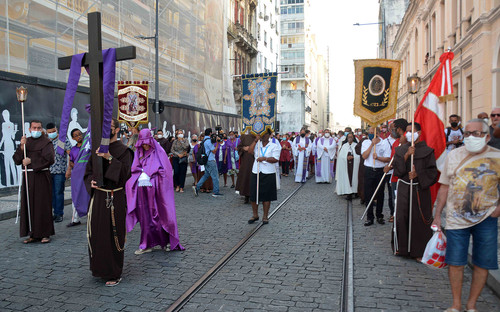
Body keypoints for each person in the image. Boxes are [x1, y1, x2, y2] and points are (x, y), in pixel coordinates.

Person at [433, 119, 500, 312]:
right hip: (456, 218)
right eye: (467, 133)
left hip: (486, 218)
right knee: (455, 262)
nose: (471, 137)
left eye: (476, 133)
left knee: (483, 262)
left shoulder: (497, 157)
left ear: (487, 137)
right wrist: (438, 215)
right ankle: (456, 304)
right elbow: (444, 187)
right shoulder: (453, 155)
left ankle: (471, 305)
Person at [84, 118, 133, 286]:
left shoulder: (124, 151)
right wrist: (90, 181)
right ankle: (99, 269)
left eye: (110, 127)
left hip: (115, 196)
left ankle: (114, 272)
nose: (107, 130)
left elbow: (125, 174)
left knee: (113, 234)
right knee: (97, 233)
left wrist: (109, 157)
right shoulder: (95, 149)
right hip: (98, 197)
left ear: (117, 130)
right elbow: (88, 172)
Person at [125, 129, 184, 255]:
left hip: (158, 190)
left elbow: (166, 172)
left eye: (147, 143)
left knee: (162, 214)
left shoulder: (159, 152)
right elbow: (134, 169)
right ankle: (147, 243)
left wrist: (151, 174)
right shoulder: (138, 153)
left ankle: (167, 241)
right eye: (143, 143)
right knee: (145, 216)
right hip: (143, 191)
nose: (145, 145)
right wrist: (140, 174)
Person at [392, 122, 438, 259]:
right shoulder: (400, 150)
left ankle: (419, 251)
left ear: (419, 133)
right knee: (402, 217)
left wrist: (418, 174)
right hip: (404, 187)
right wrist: (406, 155)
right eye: (407, 131)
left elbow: (433, 172)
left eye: (412, 130)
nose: (409, 133)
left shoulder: (428, 150)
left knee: (419, 219)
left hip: (419, 189)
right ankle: (402, 247)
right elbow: (397, 170)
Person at [13, 120, 55, 244]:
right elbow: (16, 159)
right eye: (34, 128)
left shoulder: (46, 142)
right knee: (29, 205)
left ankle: (45, 233)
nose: (36, 130)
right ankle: (32, 233)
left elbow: (49, 159)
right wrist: (21, 147)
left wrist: (31, 161)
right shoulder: (26, 142)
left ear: (42, 129)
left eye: (39, 128)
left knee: (42, 205)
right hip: (28, 176)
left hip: (41, 176)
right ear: (30, 129)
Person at [247, 129, 280, 225]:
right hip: (256, 171)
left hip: (268, 172)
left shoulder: (274, 146)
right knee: (254, 194)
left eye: (265, 134)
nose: (263, 136)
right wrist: (255, 141)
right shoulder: (257, 144)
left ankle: (265, 216)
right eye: (262, 134)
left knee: (267, 195)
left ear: (270, 135)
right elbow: (249, 151)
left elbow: (275, 159)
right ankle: (255, 215)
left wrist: (265, 158)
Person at [361, 127, 391, 226]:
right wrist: (371, 145)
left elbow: (387, 159)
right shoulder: (366, 142)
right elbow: (364, 156)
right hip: (369, 169)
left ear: (377, 134)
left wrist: (378, 157)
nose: (369, 134)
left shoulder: (384, 143)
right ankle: (370, 217)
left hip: (380, 170)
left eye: (371, 133)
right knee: (368, 194)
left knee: (380, 194)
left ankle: (379, 215)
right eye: (369, 133)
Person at [383, 118, 409, 222]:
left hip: (404, 177)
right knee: (395, 199)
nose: (393, 131)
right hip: (394, 177)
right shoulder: (396, 142)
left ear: (399, 129)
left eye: (394, 129)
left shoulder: (408, 141)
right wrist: (389, 166)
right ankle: (395, 215)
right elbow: (393, 159)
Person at [46, 122, 72, 223]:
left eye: (53, 131)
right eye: (50, 132)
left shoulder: (62, 140)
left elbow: (70, 154)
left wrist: (68, 169)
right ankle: (54, 213)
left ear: (56, 129)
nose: (52, 133)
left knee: (58, 192)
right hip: (48, 171)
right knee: (51, 193)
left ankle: (59, 213)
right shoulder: (47, 141)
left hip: (60, 171)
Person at [193, 128, 223, 197]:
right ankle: (216, 192)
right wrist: (218, 143)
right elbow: (214, 151)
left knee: (206, 175)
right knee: (215, 176)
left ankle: (197, 187)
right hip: (211, 160)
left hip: (206, 160)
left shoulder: (204, 140)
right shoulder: (208, 141)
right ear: (210, 133)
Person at [66, 128, 85, 227]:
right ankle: (75, 219)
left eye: (80, 134)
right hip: (77, 177)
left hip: (87, 175)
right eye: (76, 135)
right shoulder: (73, 150)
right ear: (73, 138)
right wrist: (73, 168)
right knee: (76, 196)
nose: (79, 136)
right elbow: (71, 162)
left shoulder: (87, 148)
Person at [336, 133, 360, 198]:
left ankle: (355, 191)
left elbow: (359, 155)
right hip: (346, 165)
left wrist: (353, 157)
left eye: (351, 137)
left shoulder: (356, 145)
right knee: (347, 178)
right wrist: (346, 157)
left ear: (353, 138)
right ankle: (348, 192)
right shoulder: (344, 146)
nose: (350, 138)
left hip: (354, 164)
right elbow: (340, 156)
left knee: (355, 177)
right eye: (348, 137)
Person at [235, 131, 256, 203]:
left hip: (255, 161)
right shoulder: (245, 137)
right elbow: (239, 147)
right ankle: (246, 196)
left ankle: (255, 196)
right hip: (246, 162)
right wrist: (244, 148)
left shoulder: (259, 139)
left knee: (255, 178)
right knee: (246, 178)